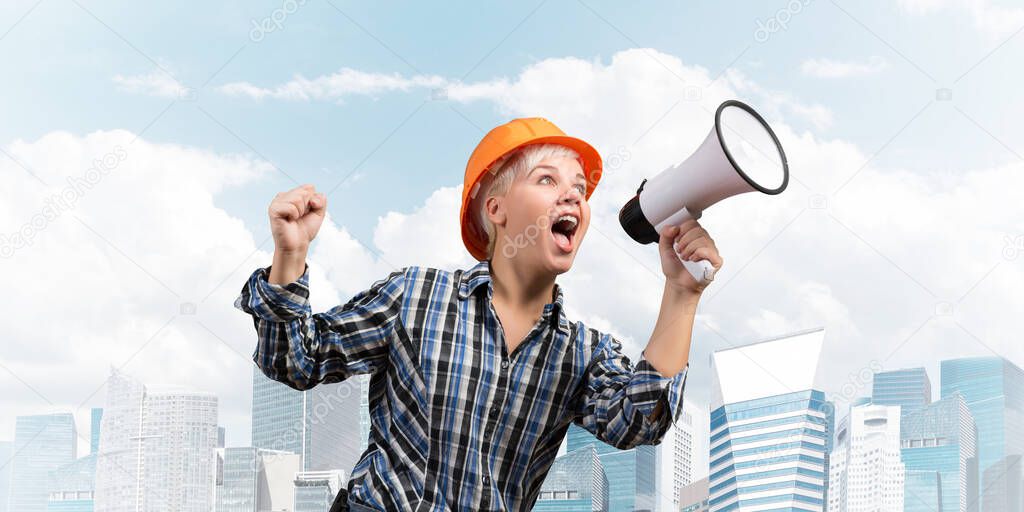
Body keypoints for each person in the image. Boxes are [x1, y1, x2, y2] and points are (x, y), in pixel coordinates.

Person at [234, 117, 723, 511]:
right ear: (496, 209)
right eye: (547, 179)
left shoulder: (583, 353)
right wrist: (290, 257)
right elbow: (295, 361)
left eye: (580, 186)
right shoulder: (415, 296)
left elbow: (640, 422)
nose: (574, 194)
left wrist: (682, 295)